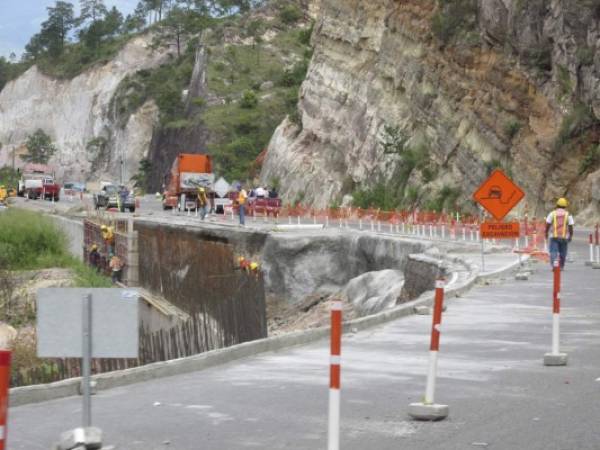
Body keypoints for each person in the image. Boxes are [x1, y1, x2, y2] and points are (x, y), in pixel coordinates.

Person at [545, 197, 574, 270]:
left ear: (557, 205)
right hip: (564, 237)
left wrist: (546, 233)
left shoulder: (552, 213)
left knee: (553, 252)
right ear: (565, 206)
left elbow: (548, 224)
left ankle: (555, 266)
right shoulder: (568, 215)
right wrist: (570, 235)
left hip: (554, 236)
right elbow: (571, 226)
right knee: (563, 252)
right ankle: (561, 266)